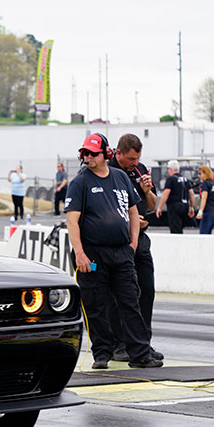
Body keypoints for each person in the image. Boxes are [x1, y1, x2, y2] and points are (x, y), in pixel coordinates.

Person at [64, 134, 161, 370]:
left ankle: (139, 353)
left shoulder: (119, 177)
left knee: (131, 302)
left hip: (122, 252)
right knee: (96, 305)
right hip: (93, 253)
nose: (88, 157)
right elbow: (72, 221)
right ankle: (102, 353)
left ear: (105, 154)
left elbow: (133, 211)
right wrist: (80, 253)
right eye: (85, 153)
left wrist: (133, 244)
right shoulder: (80, 182)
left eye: (93, 153)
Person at [107, 133, 162, 363]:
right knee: (120, 295)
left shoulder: (139, 170)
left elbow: (152, 206)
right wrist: (130, 221)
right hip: (118, 242)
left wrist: (147, 191)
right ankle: (119, 344)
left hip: (141, 240)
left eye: (137, 158)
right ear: (118, 153)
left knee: (146, 290)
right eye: (130, 159)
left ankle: (143, 342)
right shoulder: (107, 171)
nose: (134, 163)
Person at [156, 160, 196, 234]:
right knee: (180, 227)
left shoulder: (171, 179)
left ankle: (177, 243)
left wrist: (159, 207)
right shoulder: (185, 179)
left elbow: (166, 193)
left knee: (175, 229)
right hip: (185, 206)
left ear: (170, 169)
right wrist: (191, 207)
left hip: (174, 206)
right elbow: (191, 193)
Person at [196, 165, 214, 234]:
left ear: (205, 173)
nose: (199, 176)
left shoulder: (205, 184)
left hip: (208, 212)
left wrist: (200, 211)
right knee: (209, 233)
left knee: (203, 233)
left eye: (200, 173)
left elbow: (204, 198)